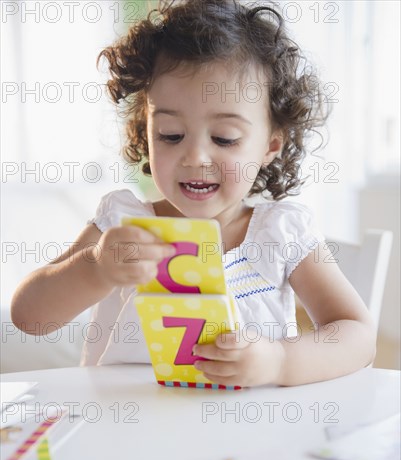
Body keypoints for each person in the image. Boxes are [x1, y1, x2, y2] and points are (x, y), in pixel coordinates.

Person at [11, 0, 376, 386]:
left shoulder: (282, 233)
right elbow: (30, 317)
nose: (195, 157)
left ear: (270, 146)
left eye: (224, 138)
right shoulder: (124, 222)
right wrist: (96, 268)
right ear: (146, 134)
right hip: (125, 432)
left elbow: (357, 334)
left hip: (248, 437)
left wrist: (280, 362)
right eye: (170, 135)